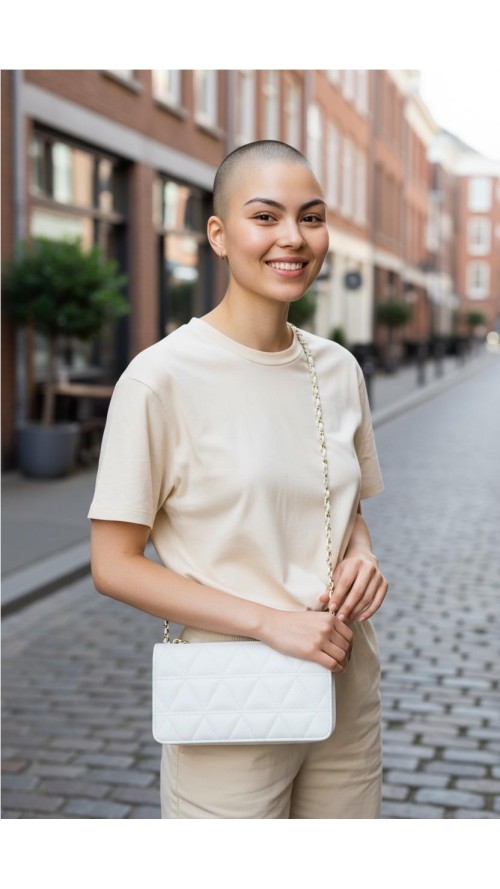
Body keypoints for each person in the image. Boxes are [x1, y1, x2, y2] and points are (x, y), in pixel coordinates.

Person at [89, 140, 389, 819]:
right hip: (233, 698)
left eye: (311, 217)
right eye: (265, 216)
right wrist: (268, 622)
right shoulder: (159, 378)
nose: (293, 237)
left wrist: (363, 557)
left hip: (345, 685)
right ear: (219, 235)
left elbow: (344, 509)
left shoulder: (339, 369)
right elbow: (113, 564)